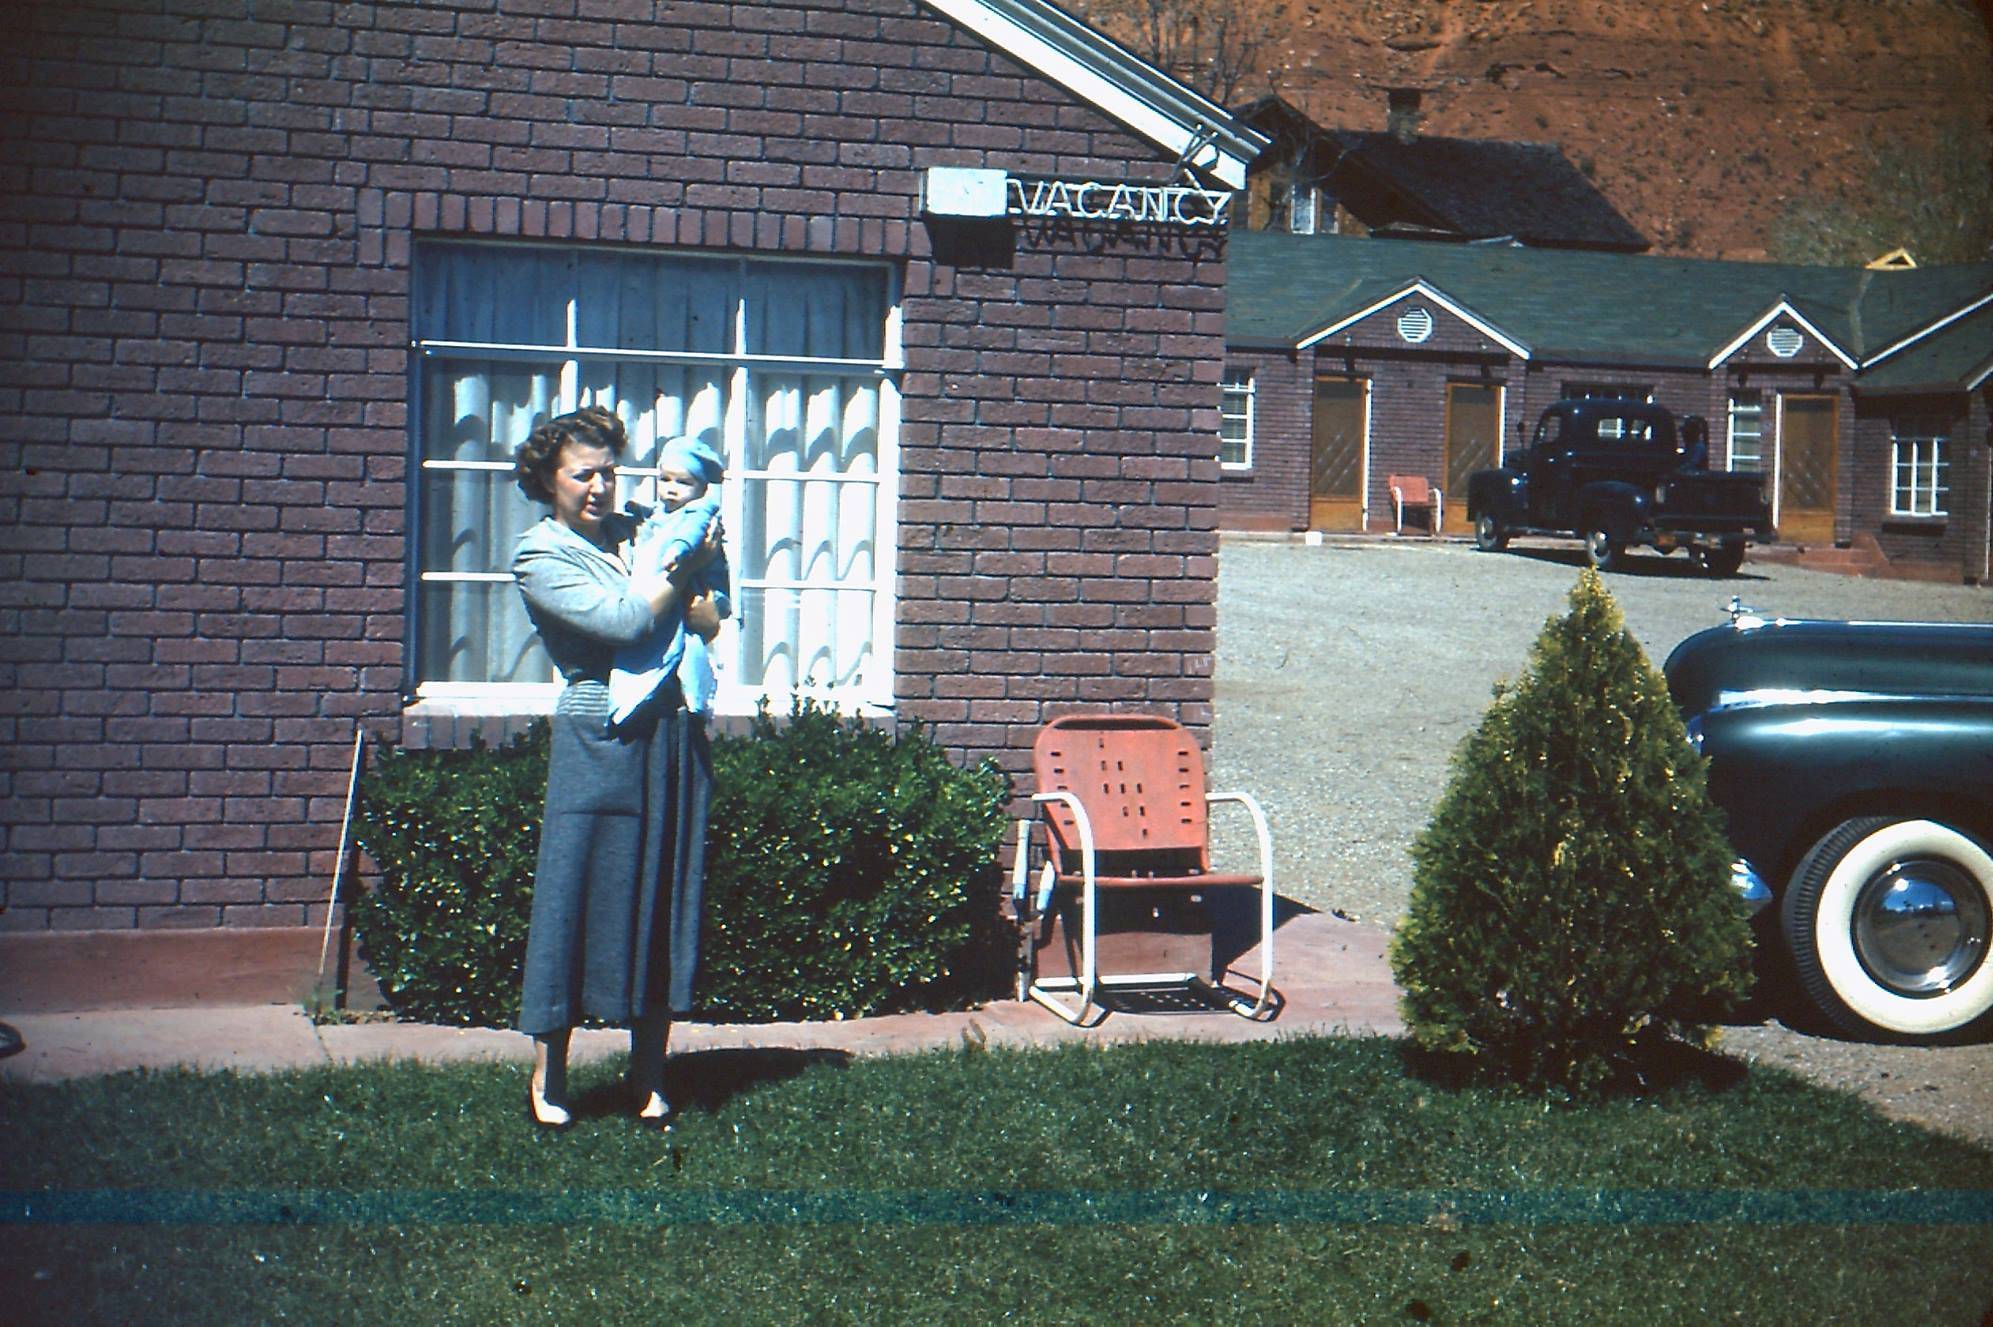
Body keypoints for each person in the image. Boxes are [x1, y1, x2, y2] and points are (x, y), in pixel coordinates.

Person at [509, 405, 725, 1130]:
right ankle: (552, 1076)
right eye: (582, 473)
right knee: (575, 896)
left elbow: (708, 620)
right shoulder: (541, 557)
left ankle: (650, 1073)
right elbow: (627, 624)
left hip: (670, 730)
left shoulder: (641, 530)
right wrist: (687, 568)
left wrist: (694, 583)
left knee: (662, 892)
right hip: (598, 733)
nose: (600, 487)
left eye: (609, 471)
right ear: (547, 478)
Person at [607, 435, 731, 727]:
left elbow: (689, 535)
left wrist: (679, 553)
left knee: (689, 649)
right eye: (665, 480)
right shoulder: (661, 514)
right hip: (672, 590)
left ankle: (695, 699)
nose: (672, 490)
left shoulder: (700, 510)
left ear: (701, 487)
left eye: (683, 483)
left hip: (698, 584)